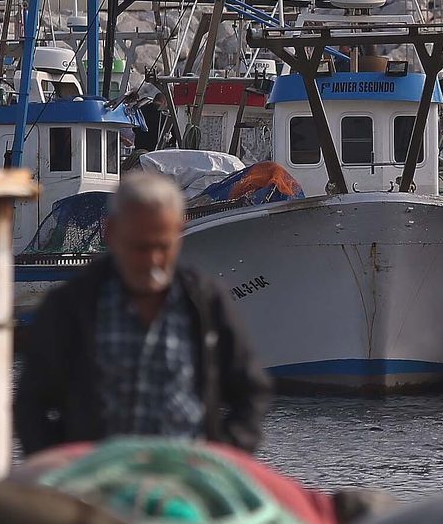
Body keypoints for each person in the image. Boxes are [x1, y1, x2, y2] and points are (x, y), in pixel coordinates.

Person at [15, 171, 271, 456]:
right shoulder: (71, 305)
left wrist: (226, 454)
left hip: (184, 471)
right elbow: (31, 404)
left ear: (179, 234)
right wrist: (62, 463)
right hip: (97, 472)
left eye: (163, 246)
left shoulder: (205, 302)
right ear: (111, 233)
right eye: (140, 247)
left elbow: (251, 390)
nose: (152, 260)